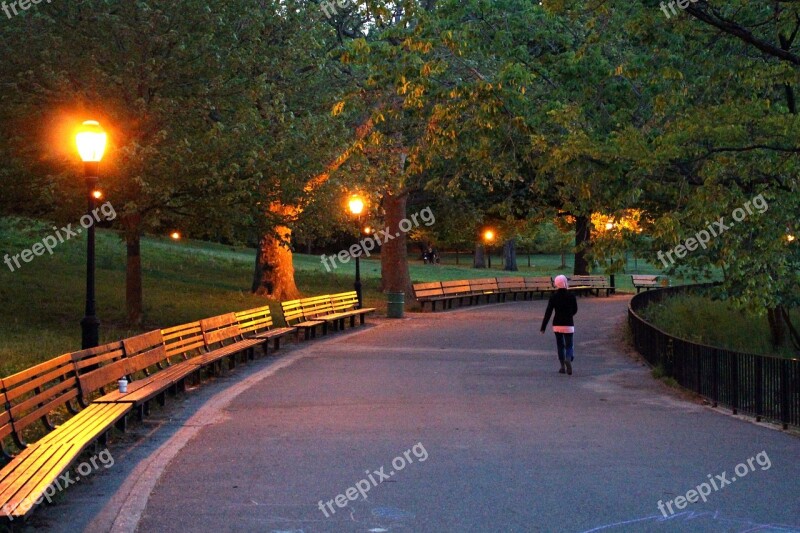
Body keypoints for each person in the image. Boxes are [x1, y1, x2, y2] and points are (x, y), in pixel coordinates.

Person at [540, 274, 578, 375]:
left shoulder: (553, 297)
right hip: (568, 323)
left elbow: (548, 312)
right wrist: (570, 314)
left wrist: (543, 326)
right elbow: (575, 310)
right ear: (565, 283)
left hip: (557, 324)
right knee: (569, 344)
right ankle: (568, 358)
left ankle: (562, 367)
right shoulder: (571, 296)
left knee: (560, 345)